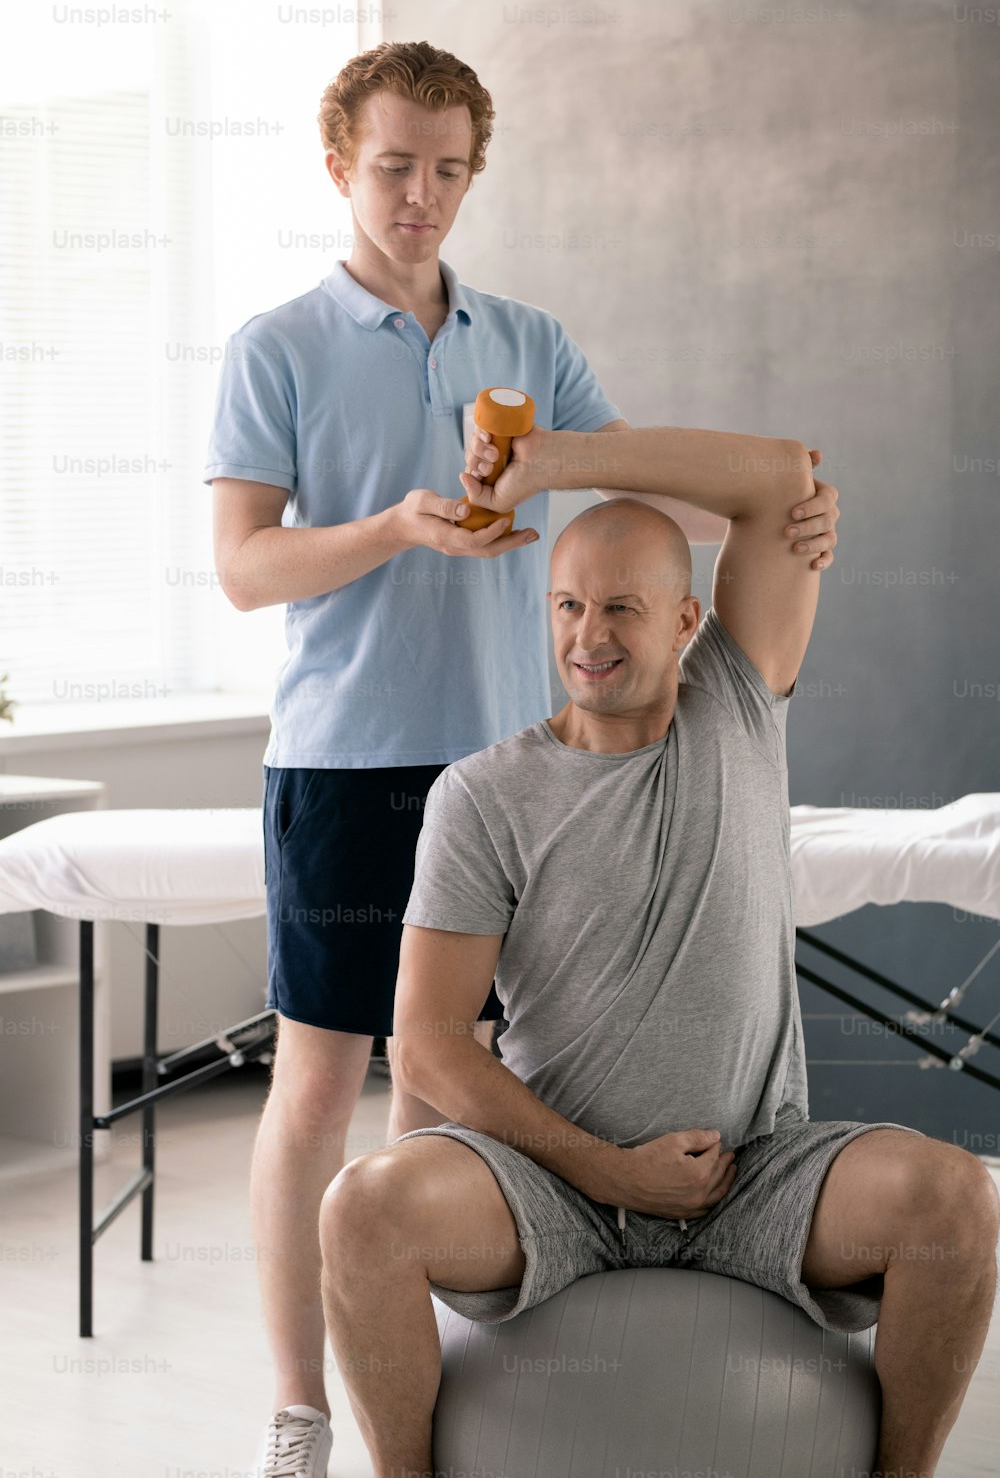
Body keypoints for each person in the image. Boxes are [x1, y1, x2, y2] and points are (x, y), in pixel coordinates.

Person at [205, 39, 843, 1477]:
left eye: (446, 171)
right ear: (337, 167)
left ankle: (449, 1371)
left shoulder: (527, 341)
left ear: (473, 174)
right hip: (350, 762)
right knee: (319, 1087)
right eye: (393, 169)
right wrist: (395, 528)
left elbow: (634, 483)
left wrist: (792, 518)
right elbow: (245, 570)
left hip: (510, 769)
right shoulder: (280, 347)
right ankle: (305, 1412)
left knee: (446, 1093)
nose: (420, 196)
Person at [318, 460, 1000, 1478]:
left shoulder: (737, 705)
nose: (587, 638)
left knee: (957, 1200)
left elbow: (774, 479)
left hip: (754, 1170)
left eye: (622, 610)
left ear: (687, 621)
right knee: (361, 1208)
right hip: (551, 1185)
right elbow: (424, 1039)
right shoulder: (481, 796)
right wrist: (607, 1168)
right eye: (568, 606)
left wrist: (548, 458)